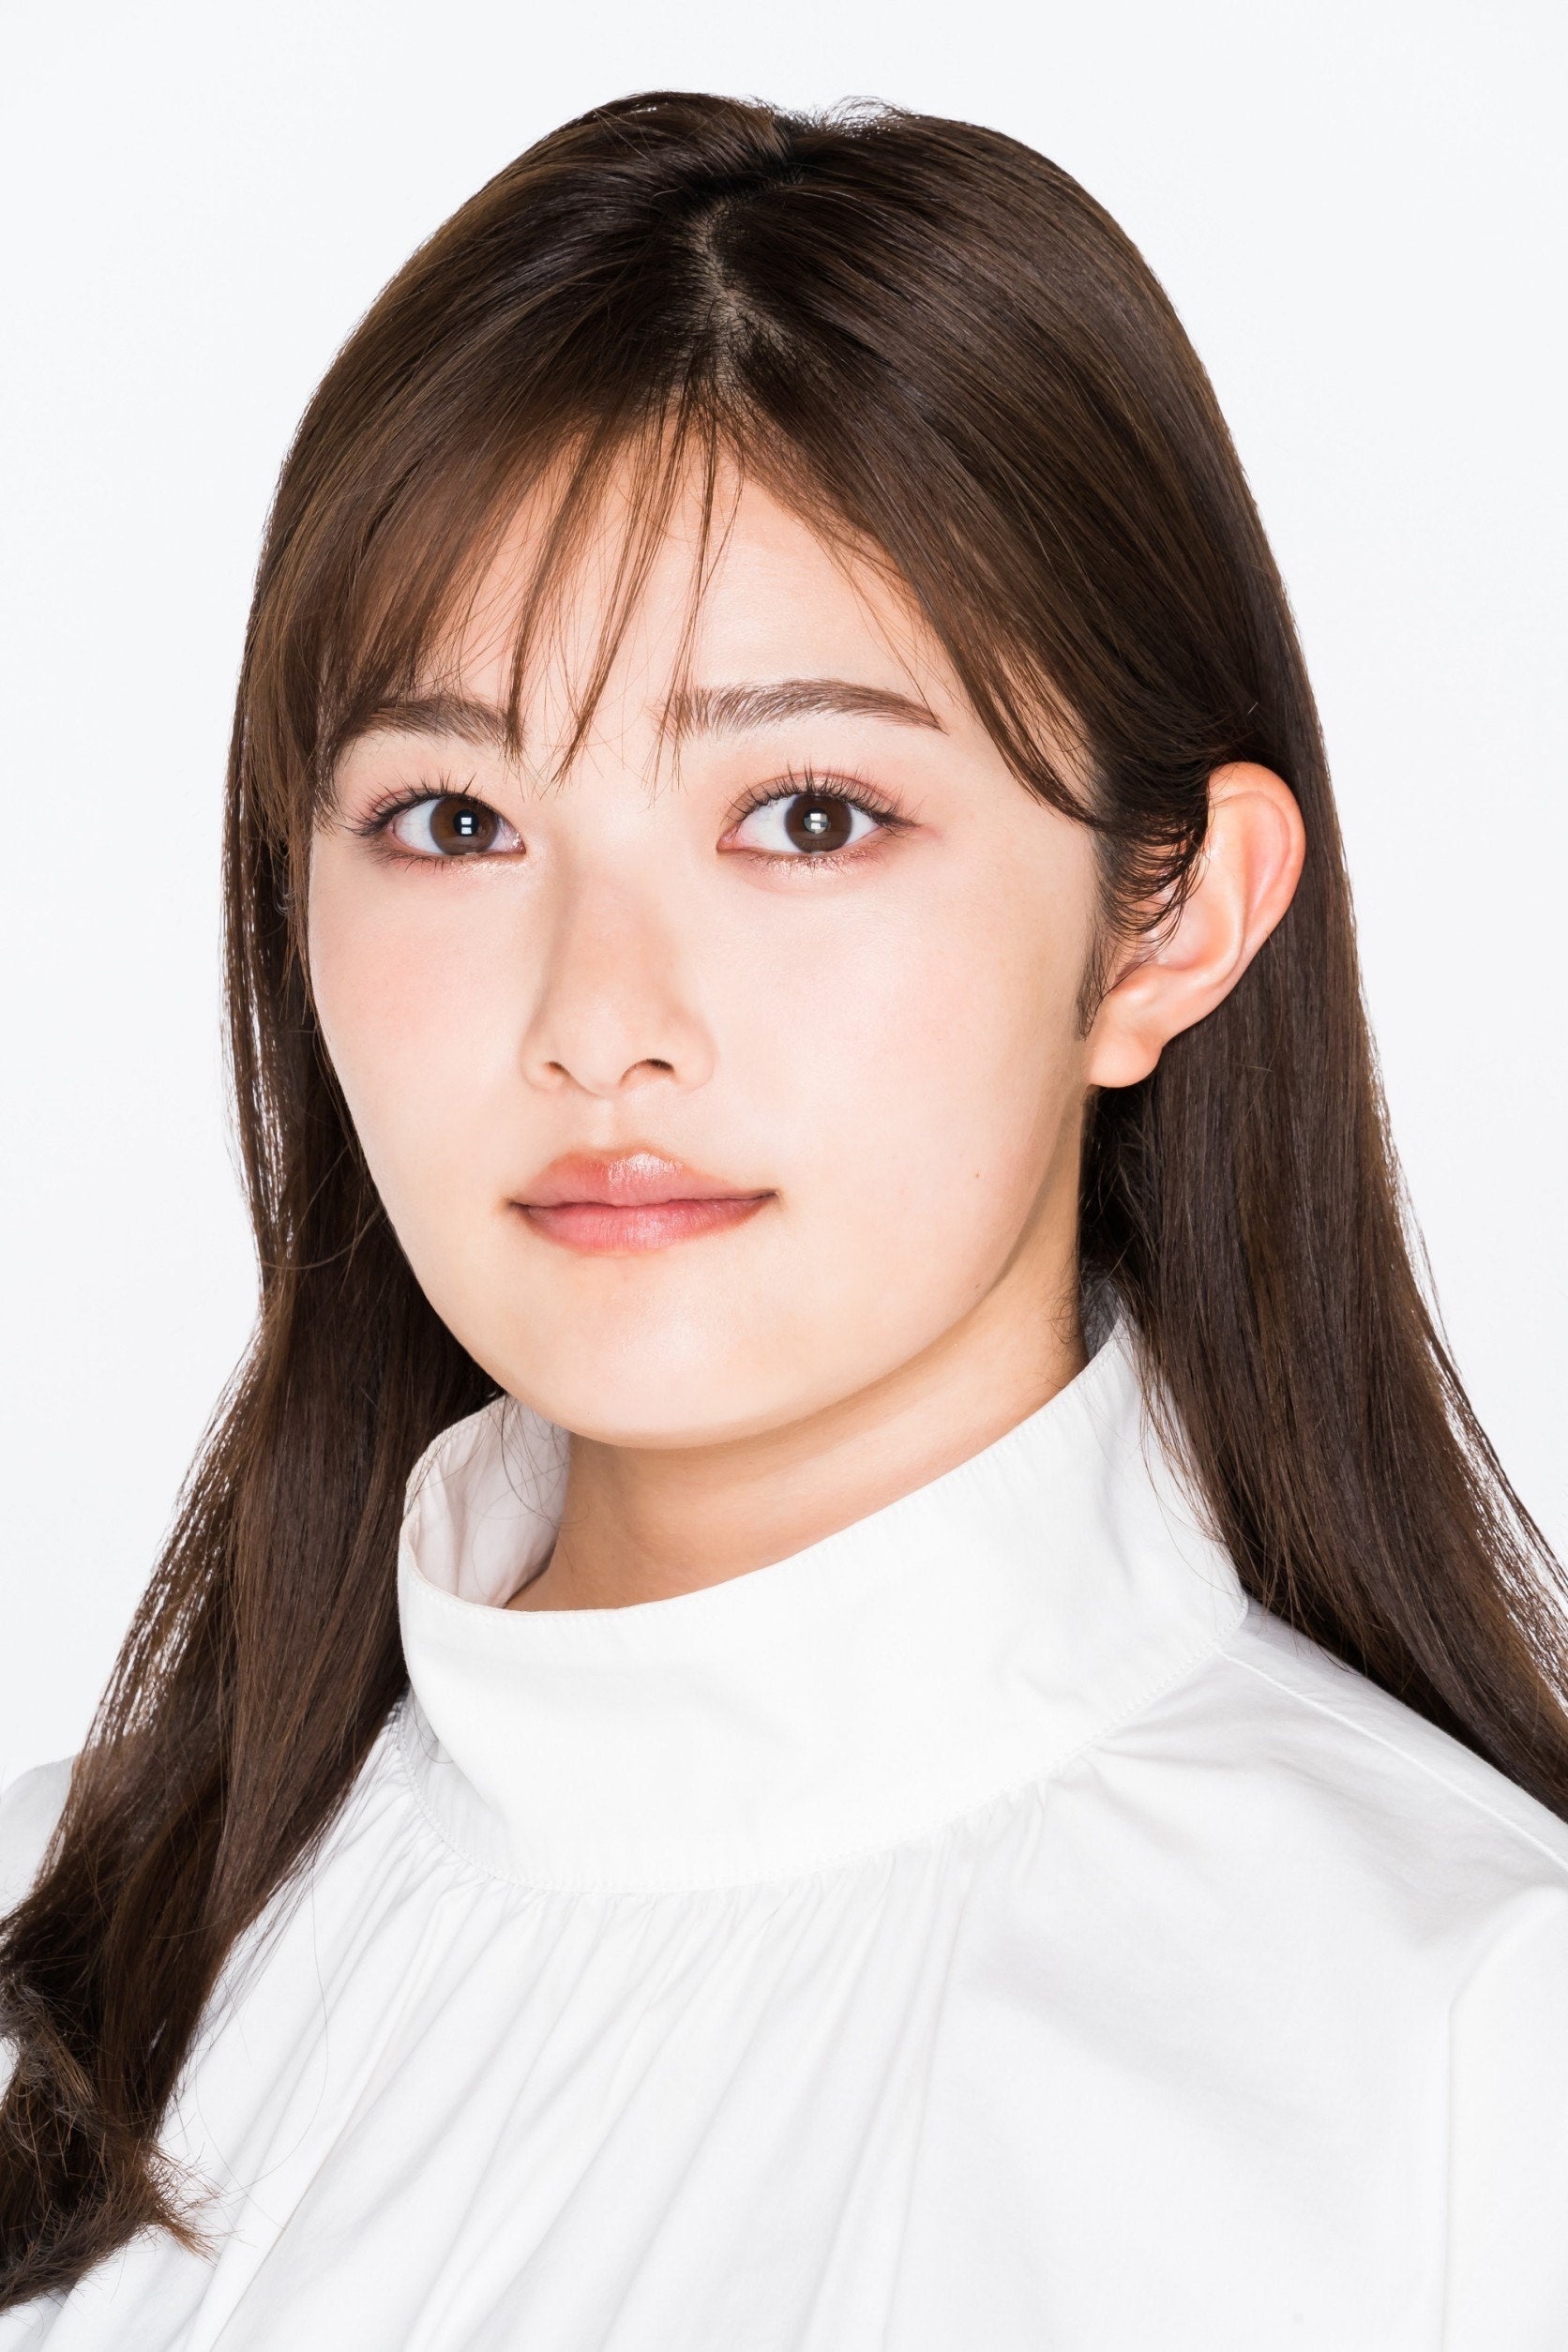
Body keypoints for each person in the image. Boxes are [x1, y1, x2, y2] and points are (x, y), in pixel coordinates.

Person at [2, 88, 1565, 2349]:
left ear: (1167, 919)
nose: (598, 1022)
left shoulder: (1458, 2058)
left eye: (808, 815)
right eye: (450, 821)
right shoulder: (66, 1968)